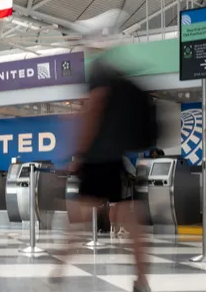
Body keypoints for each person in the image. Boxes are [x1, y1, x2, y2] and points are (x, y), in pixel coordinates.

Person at [50, 62, 151, 292]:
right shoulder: (121, 79)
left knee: (77, 219)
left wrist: (79, 153)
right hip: (117, 160)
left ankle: (58, 270)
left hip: (96, 161)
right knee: (131, 220)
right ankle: (142, 278)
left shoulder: (98, 76)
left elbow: (93, 112)